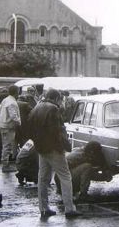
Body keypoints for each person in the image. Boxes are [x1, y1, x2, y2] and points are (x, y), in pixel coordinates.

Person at [28, 88, 81, 219]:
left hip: (41, 148)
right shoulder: (53, 109)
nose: (61, 103)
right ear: (56, 98)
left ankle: (43, 208)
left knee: (43, 178)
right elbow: (57, 131)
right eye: (60, 100)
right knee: (65, 177)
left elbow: (29, 127)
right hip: (54, 148)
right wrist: (65, 146)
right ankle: (69, 209)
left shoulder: (37, 107)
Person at [0, 85, 21, 172]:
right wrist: (19, 122)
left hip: (3, 125)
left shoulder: (5, 100)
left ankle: (5, 164)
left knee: (5, 145)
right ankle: (5, 165)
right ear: (16, 92)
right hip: (8, 127)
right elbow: (13, 115)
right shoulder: (12, 102)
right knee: (8, 146)